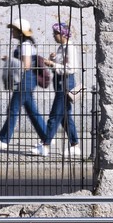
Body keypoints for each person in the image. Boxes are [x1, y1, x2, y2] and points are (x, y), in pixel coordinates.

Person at [0, 18, 46, 150]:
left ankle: (3, 140)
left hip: (25, 80)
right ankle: (47, 137)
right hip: (27, 80)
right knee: (32, 111)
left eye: (13, 30)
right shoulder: (23, 45)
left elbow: (25, 66)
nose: (11, 32)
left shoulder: (25, 46)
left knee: (13, 109)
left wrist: (10, 60)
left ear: (20, 32)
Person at [33, 22, 81, 158]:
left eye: (55, 33)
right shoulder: (62, 47)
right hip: (60, 83)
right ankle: (75, 145)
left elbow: (72, 68)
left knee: (54, 116)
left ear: (63, 34)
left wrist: (53, 63)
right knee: (65, 117)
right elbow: (60, 66)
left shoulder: (69, 48)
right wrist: (52, 60)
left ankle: (45, 145)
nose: (54, 36)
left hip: (65, 83)